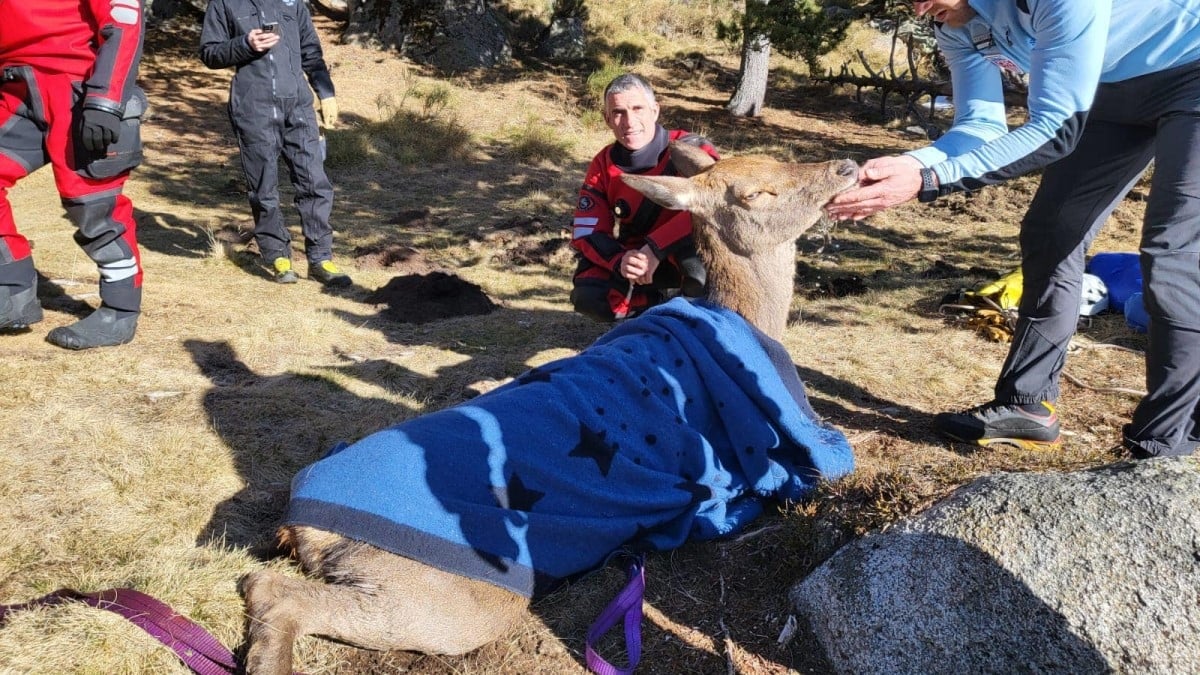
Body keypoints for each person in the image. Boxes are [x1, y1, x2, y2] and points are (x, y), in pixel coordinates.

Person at [825, 0, 1200, 459]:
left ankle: (1169, 442)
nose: (916, 6)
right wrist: (911, 164)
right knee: (1052, 231)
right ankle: (1028, 406)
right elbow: (980, 126)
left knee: (1172, 253)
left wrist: (926, 182)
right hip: (1111, 89)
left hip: (1193, 68)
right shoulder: (956, 24)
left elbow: (1055, 128)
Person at [0, 0, 147, 350]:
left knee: (95, 205)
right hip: (15, 89)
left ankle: (120, 309)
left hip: (76, 89)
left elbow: (124, 20)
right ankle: (12, 291)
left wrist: (105, 101)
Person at [200, 0, 350, 287]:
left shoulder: (293, 2)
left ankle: (321, 258)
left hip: (299, 107)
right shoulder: (223, 3)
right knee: (263, 187)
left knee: (315, 182)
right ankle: (278, 256)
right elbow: (209, 52)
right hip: (253, 107)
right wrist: (245, 43)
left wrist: (325, 92)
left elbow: (310, 51)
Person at [569, 73, 718, 322]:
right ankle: (654, 306)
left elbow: (713, 206)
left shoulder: (694, 149)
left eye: (637, 108)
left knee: (698, 273)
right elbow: (587, 229)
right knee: (590, 294)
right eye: (618, 112)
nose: (629, 121)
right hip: (637, 258)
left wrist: (655, 249)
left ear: (655, 110)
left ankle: (697, 322)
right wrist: (621, 261)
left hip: (688, 247)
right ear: (607, 120)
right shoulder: (603, 163)